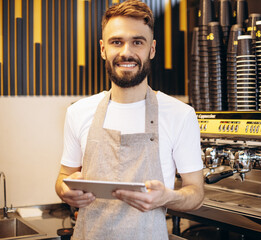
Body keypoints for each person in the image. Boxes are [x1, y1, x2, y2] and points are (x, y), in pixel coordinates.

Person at [55, 0, 204, 239]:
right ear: (103, 49)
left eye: (137, 42)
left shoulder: (180, 114)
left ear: (152, 49)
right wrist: (64, 190)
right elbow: (63, 177)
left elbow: (196, 193)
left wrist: (168, 196)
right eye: (117, 42)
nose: (126, 52)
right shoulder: (79, 112)